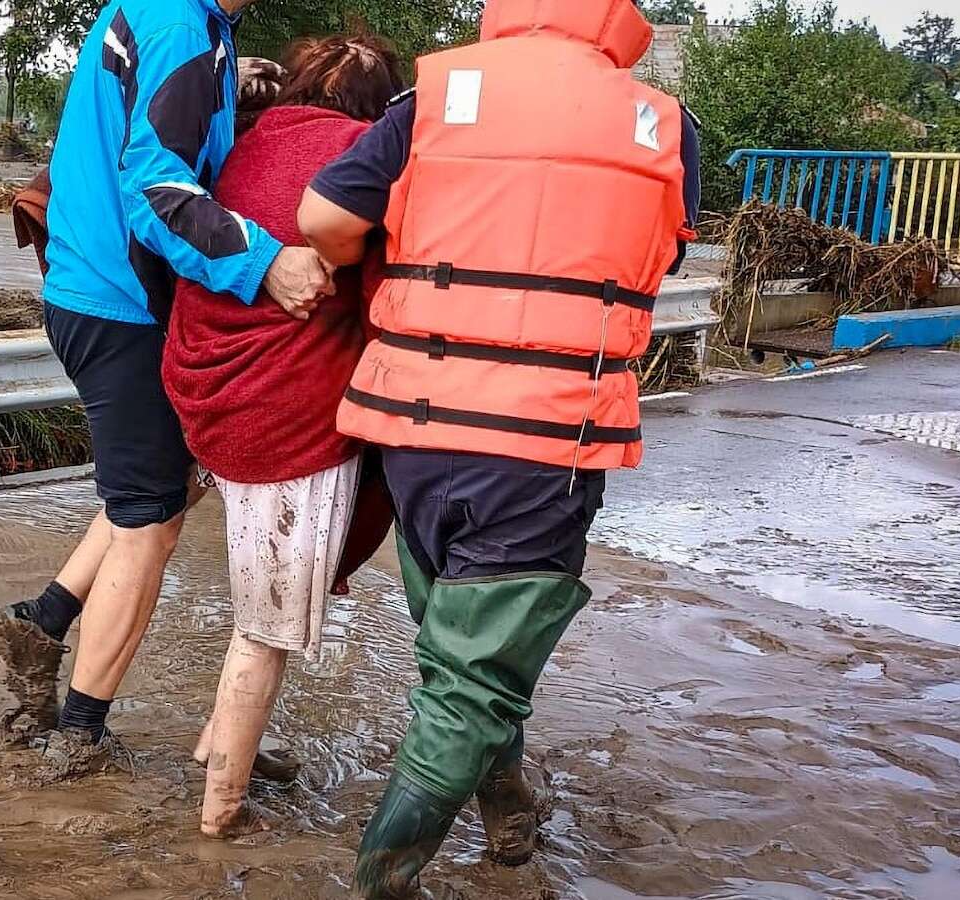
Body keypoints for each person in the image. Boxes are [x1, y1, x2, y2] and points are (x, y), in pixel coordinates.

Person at [296, 0, 700, 894]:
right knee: (471, 677)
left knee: (460, 647)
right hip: (549, 437)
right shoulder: (665, 126)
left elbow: (321, 216)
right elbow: (657, 258)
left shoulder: (431, 95)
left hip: (416, 429)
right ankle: (378, 882)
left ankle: (506, 802)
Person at [0, 0, 334, 763]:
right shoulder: (181, 26)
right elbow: (156, 188)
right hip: (119, 304)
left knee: (167, 479)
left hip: (90, 286)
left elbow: (148, 115)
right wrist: (264, 263)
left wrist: (226, 84)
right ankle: (81, 730)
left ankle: (43, 619)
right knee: (151, 518)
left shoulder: (186, 23)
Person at [159, 33, 406, 838]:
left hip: (200, 396)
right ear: (379, 108)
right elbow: (383, 305)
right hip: (281, 421)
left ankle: (224, 743)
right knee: (265, 631)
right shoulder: (363, 162)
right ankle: (221, 811)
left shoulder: (244, 141)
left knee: (251, 602)